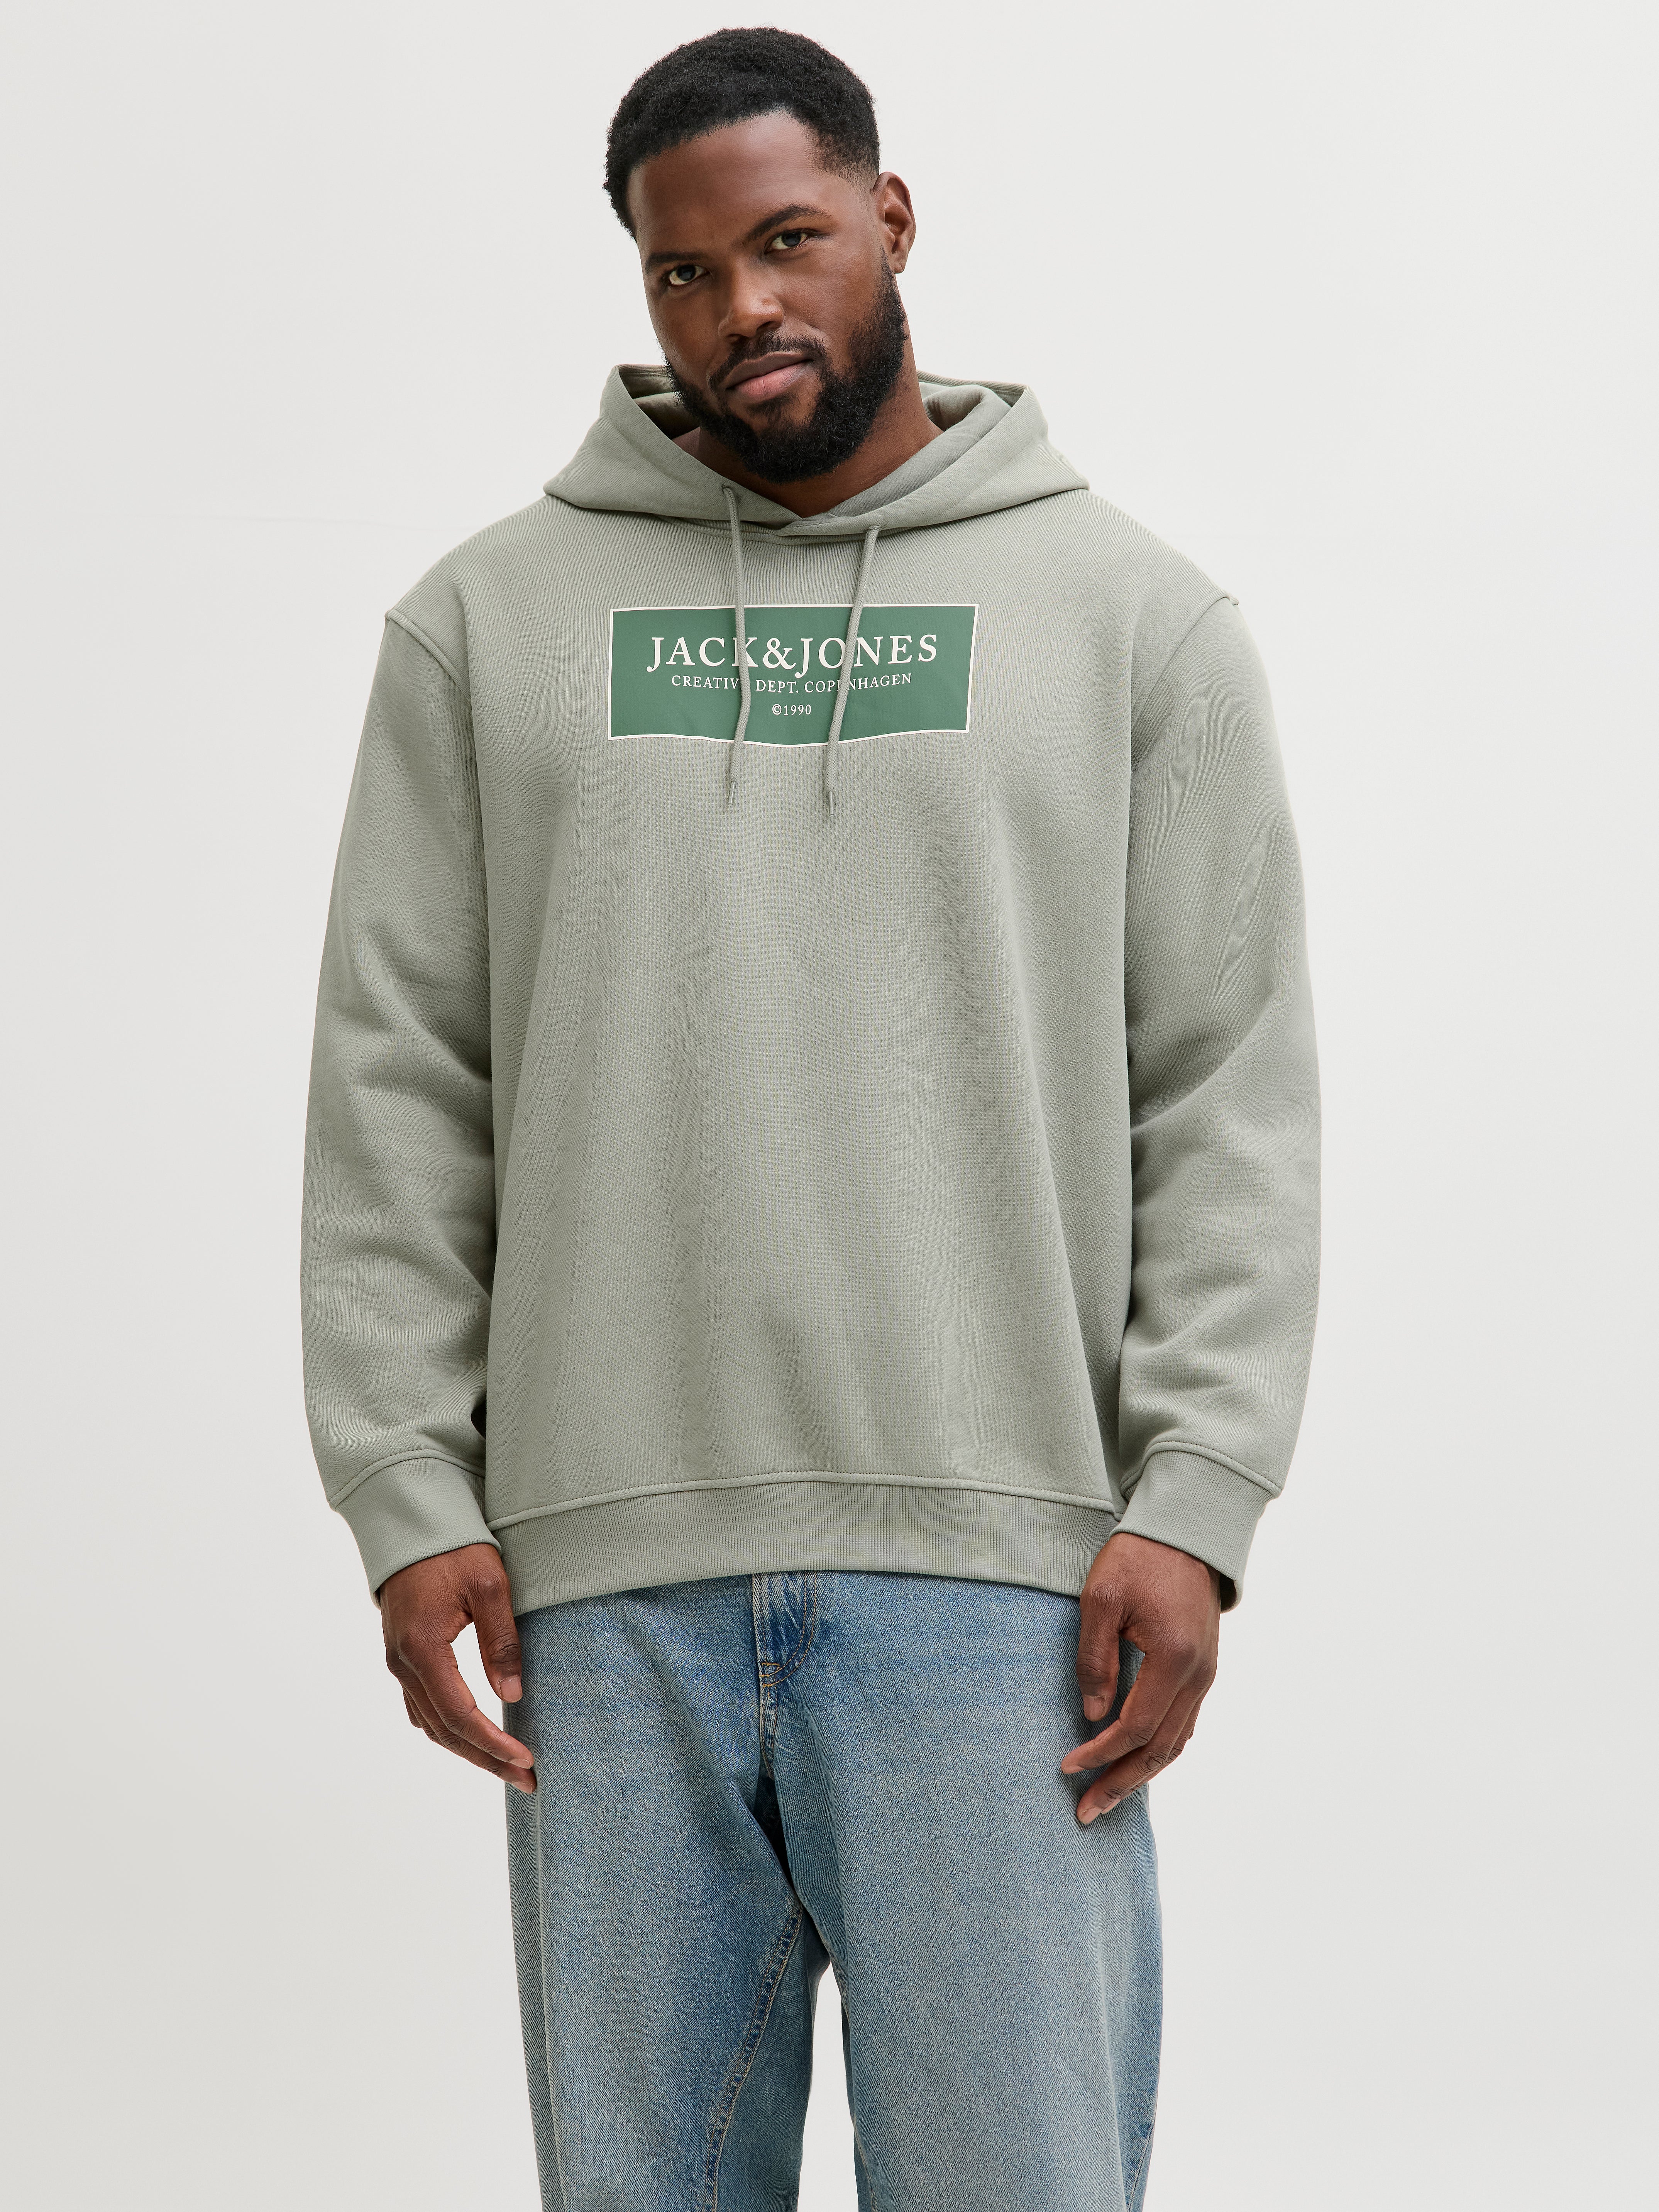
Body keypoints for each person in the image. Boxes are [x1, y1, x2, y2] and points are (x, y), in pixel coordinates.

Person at [301, 28, 1320, 2212]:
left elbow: (1224, 1077)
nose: (742, 307)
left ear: (890, 218)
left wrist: (1200, 1489)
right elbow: (401, 1069)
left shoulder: (1135, 623)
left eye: (786, 242)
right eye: (684, 272)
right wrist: (402, 1480)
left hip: (1006, 1576)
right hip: (602, 1582)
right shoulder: (485, 628)